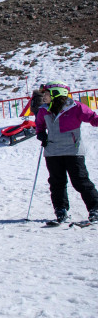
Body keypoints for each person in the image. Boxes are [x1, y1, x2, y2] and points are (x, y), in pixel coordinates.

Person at [35, 82, 98, 225]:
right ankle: (61, 210)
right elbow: (39, 125)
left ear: (55, 94)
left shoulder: (75, 107)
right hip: (52, 151)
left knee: (80, 181)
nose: (43, 97)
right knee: (57, 183)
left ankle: (95, 208)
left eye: (46, 94)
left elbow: (93, 118)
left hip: (73, 150)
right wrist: (41, 134)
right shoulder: (44, 110)